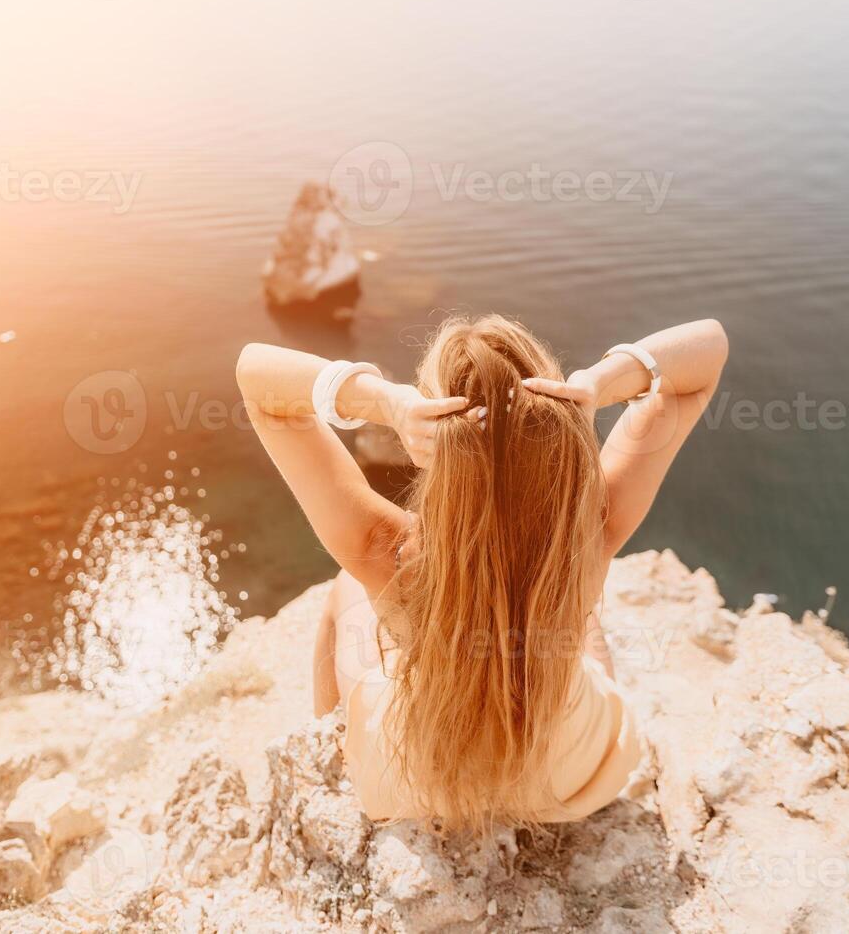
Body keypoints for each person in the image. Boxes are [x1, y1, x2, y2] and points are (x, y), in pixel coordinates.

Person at [236, 314, 728, 831]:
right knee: (578, 621)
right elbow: (705, 352)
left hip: (414, 783)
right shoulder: (588, 532)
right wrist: (598, 383)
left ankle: (335, 745)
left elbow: (258, 378)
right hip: (571, 780)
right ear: (555, 414)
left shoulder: (387, 550)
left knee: (344, 588)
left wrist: (388, 403)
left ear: (436, 437)